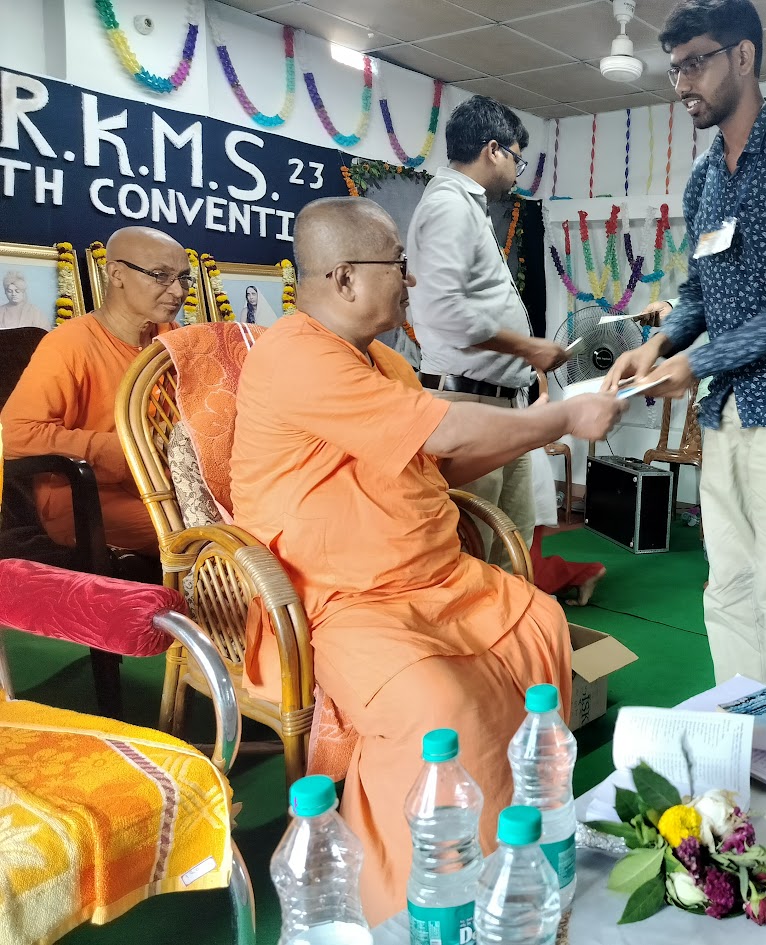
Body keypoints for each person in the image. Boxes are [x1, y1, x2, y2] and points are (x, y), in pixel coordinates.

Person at [229, 196, 626, 924]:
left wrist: (541, 431)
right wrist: (563, 415)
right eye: (398, 265)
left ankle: (516, 853)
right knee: (438, 705)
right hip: (338, 596)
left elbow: (438, 464)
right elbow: (443, 432)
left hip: (436, 576)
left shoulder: (383, 360)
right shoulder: (295, 354)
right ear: (345, 277)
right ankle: (415, 905)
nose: (409, 279)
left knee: (539, 622)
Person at [604, 0, 766, 698]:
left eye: (696, 63)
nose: (682, 83)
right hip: (727, 411)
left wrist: (696, 363)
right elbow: (700, 292)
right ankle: (740, 727)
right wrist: (658, 344)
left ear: (743, 56)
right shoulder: (704, 178)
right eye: (674, 69)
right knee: (727, 585)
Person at [408, 95, 568, 569]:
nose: (517, 173)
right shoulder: (449, 206)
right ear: (493, 150)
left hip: (496, 402)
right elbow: (444, 312)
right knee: (472, 550)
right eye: (517, 159)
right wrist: (529, 348)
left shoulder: (466, 206)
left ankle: (512, 620)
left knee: (510, 545)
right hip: (467, 401)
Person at [1, 227, 191, 557]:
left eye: (184, 278)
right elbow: (17, 434)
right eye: (161, 276)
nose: (177, 291)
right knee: (200, 537)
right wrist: (130, 450)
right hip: (85, 495)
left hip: (166, 486)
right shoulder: (69, 344)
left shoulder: (172, 337)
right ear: (116, 274)